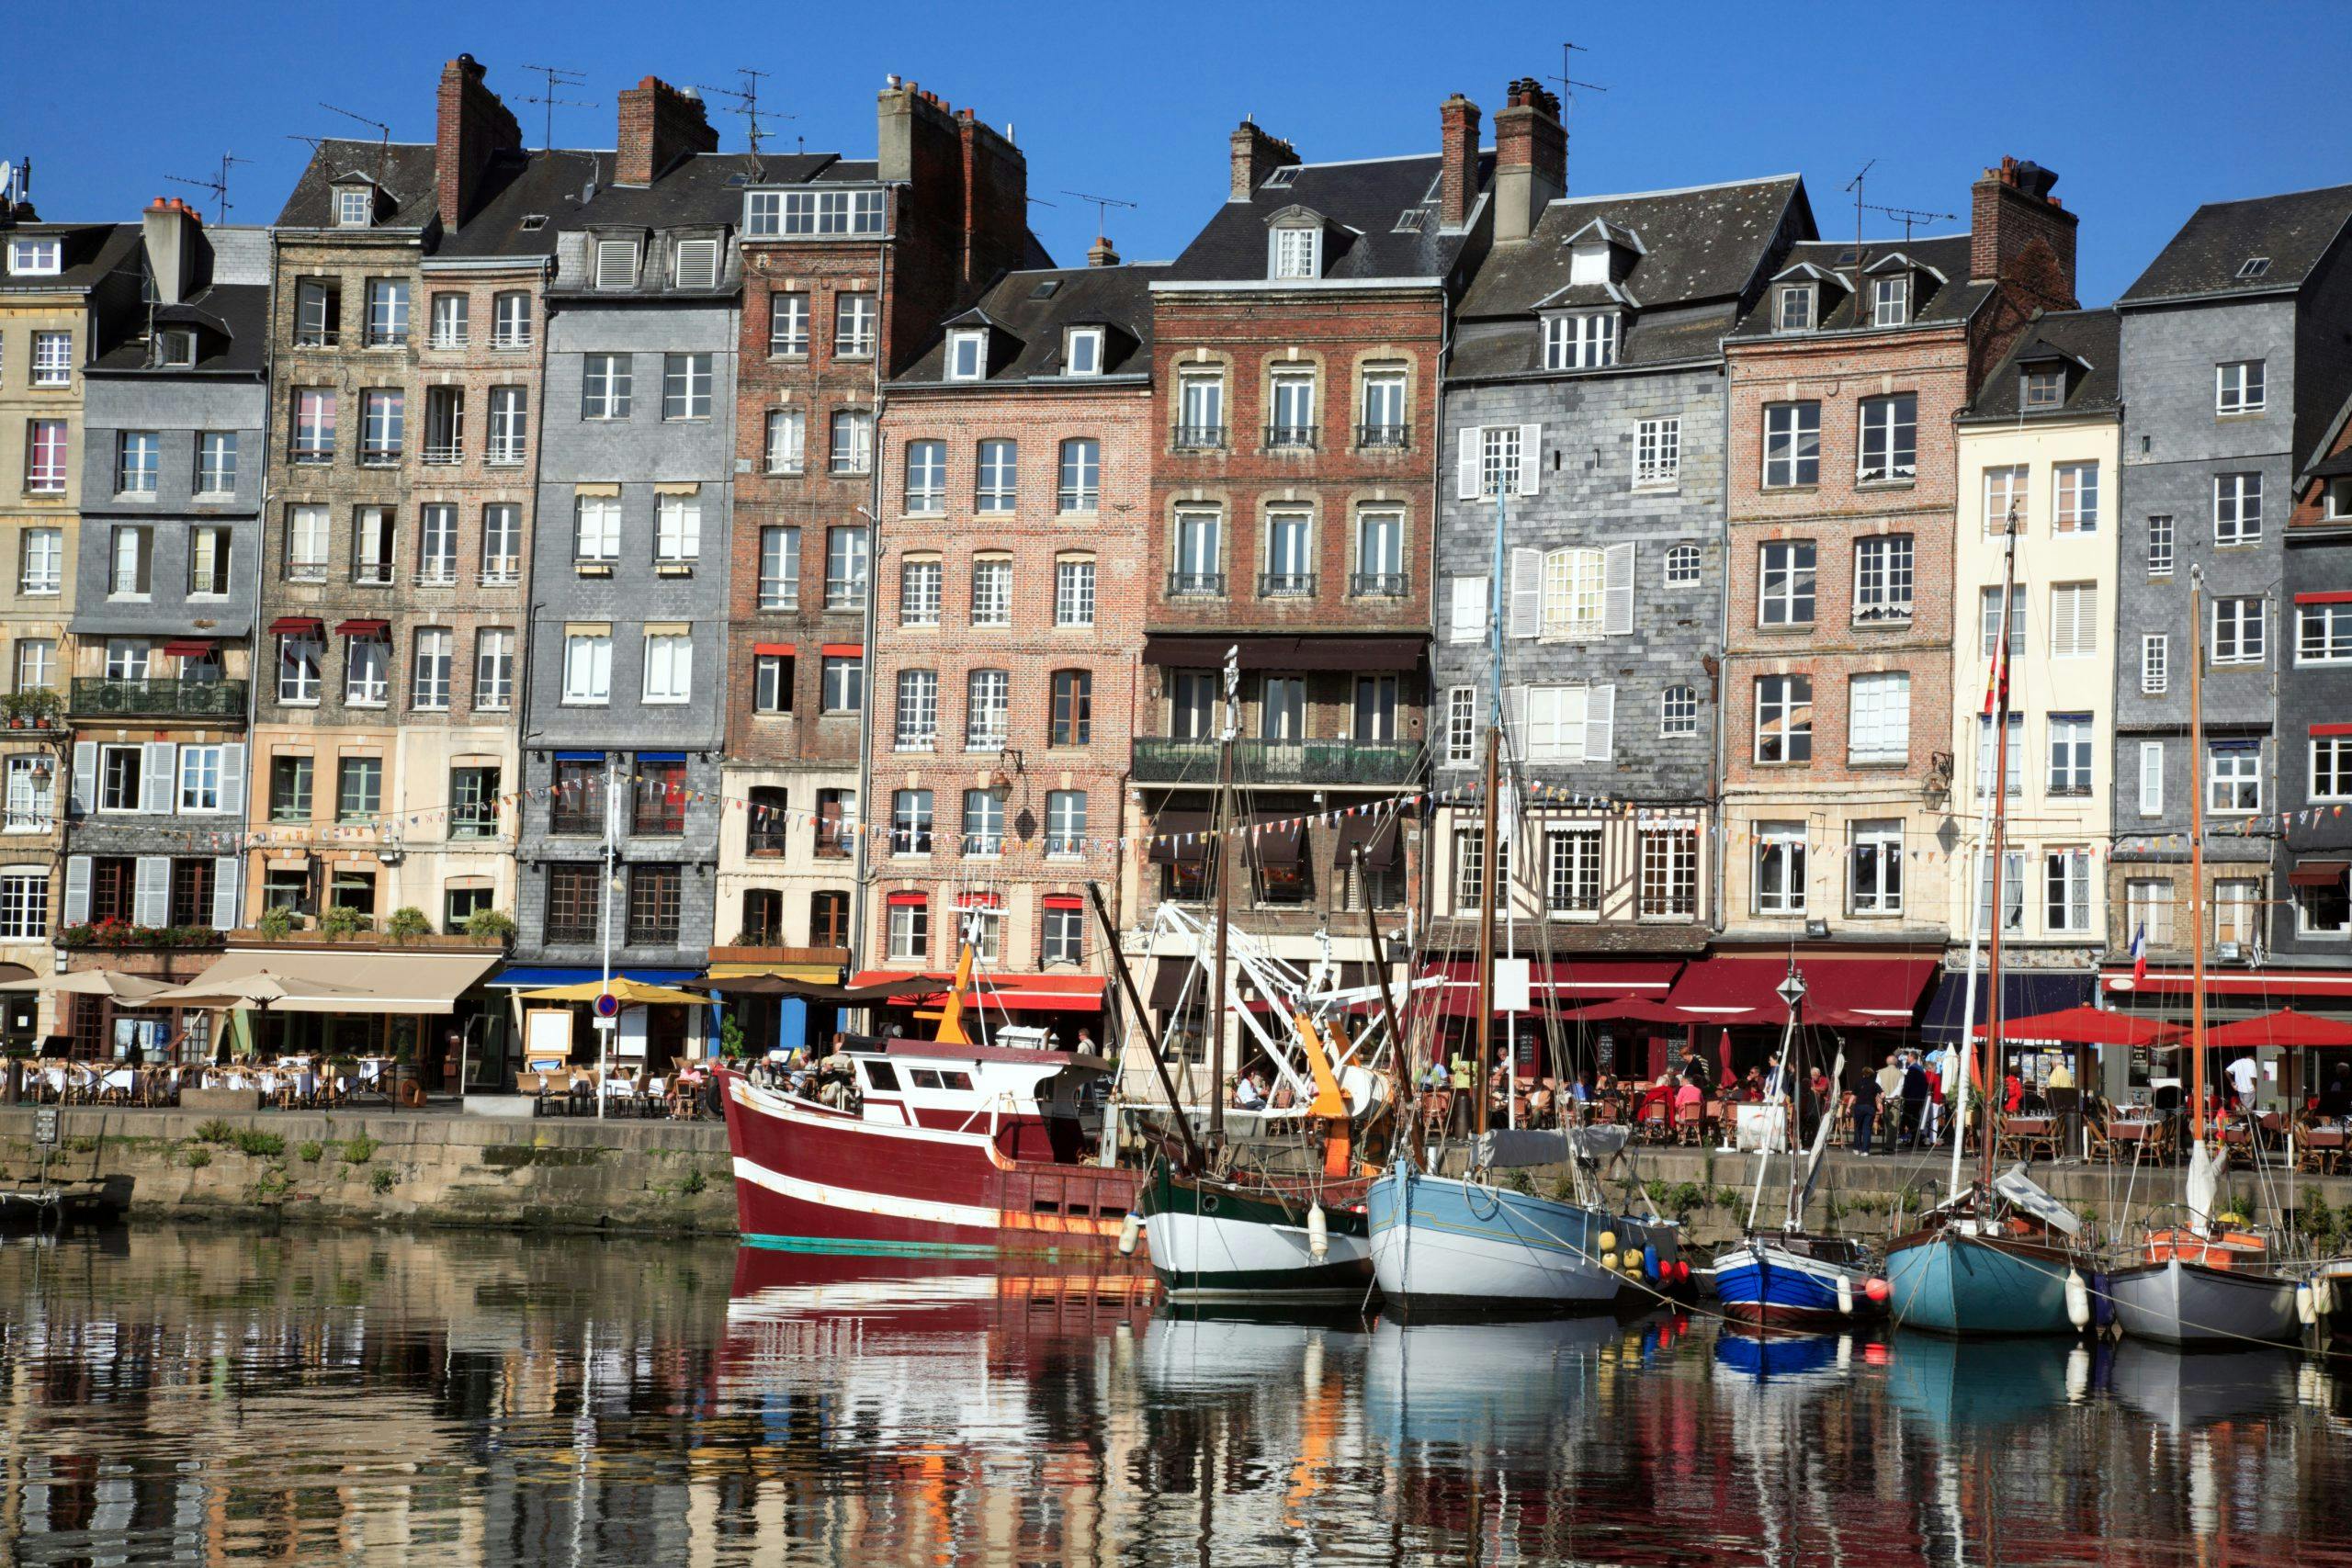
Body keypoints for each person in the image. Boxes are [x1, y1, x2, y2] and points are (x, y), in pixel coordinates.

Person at [1899, 1054, 1930, 1149]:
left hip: (1912, 1098)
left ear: (1913, 1057)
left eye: (1908, 1056)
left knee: (1909, 1118)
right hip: (1919, 1098)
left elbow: (1908, 1084)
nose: (1907, 1058)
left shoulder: (1913, 1069)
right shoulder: (1920, 1069)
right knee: (1914, 1118)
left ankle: (1914, 1138)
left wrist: (1904, 1095)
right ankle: (1916, 1138)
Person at [1850, 1067, 1881, 1156]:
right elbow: (1882, 1094)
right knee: (1867, 1129)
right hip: (1870, 1107)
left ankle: (1856, 1148)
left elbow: (1853, 1096)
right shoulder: (1875, 1084)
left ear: (1863, 1074)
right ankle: (1865, 1151)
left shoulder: (1858, 1082)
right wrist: (1880, 1104)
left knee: (1858, 1128)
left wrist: (1848, 1107)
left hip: (1859, 1107)